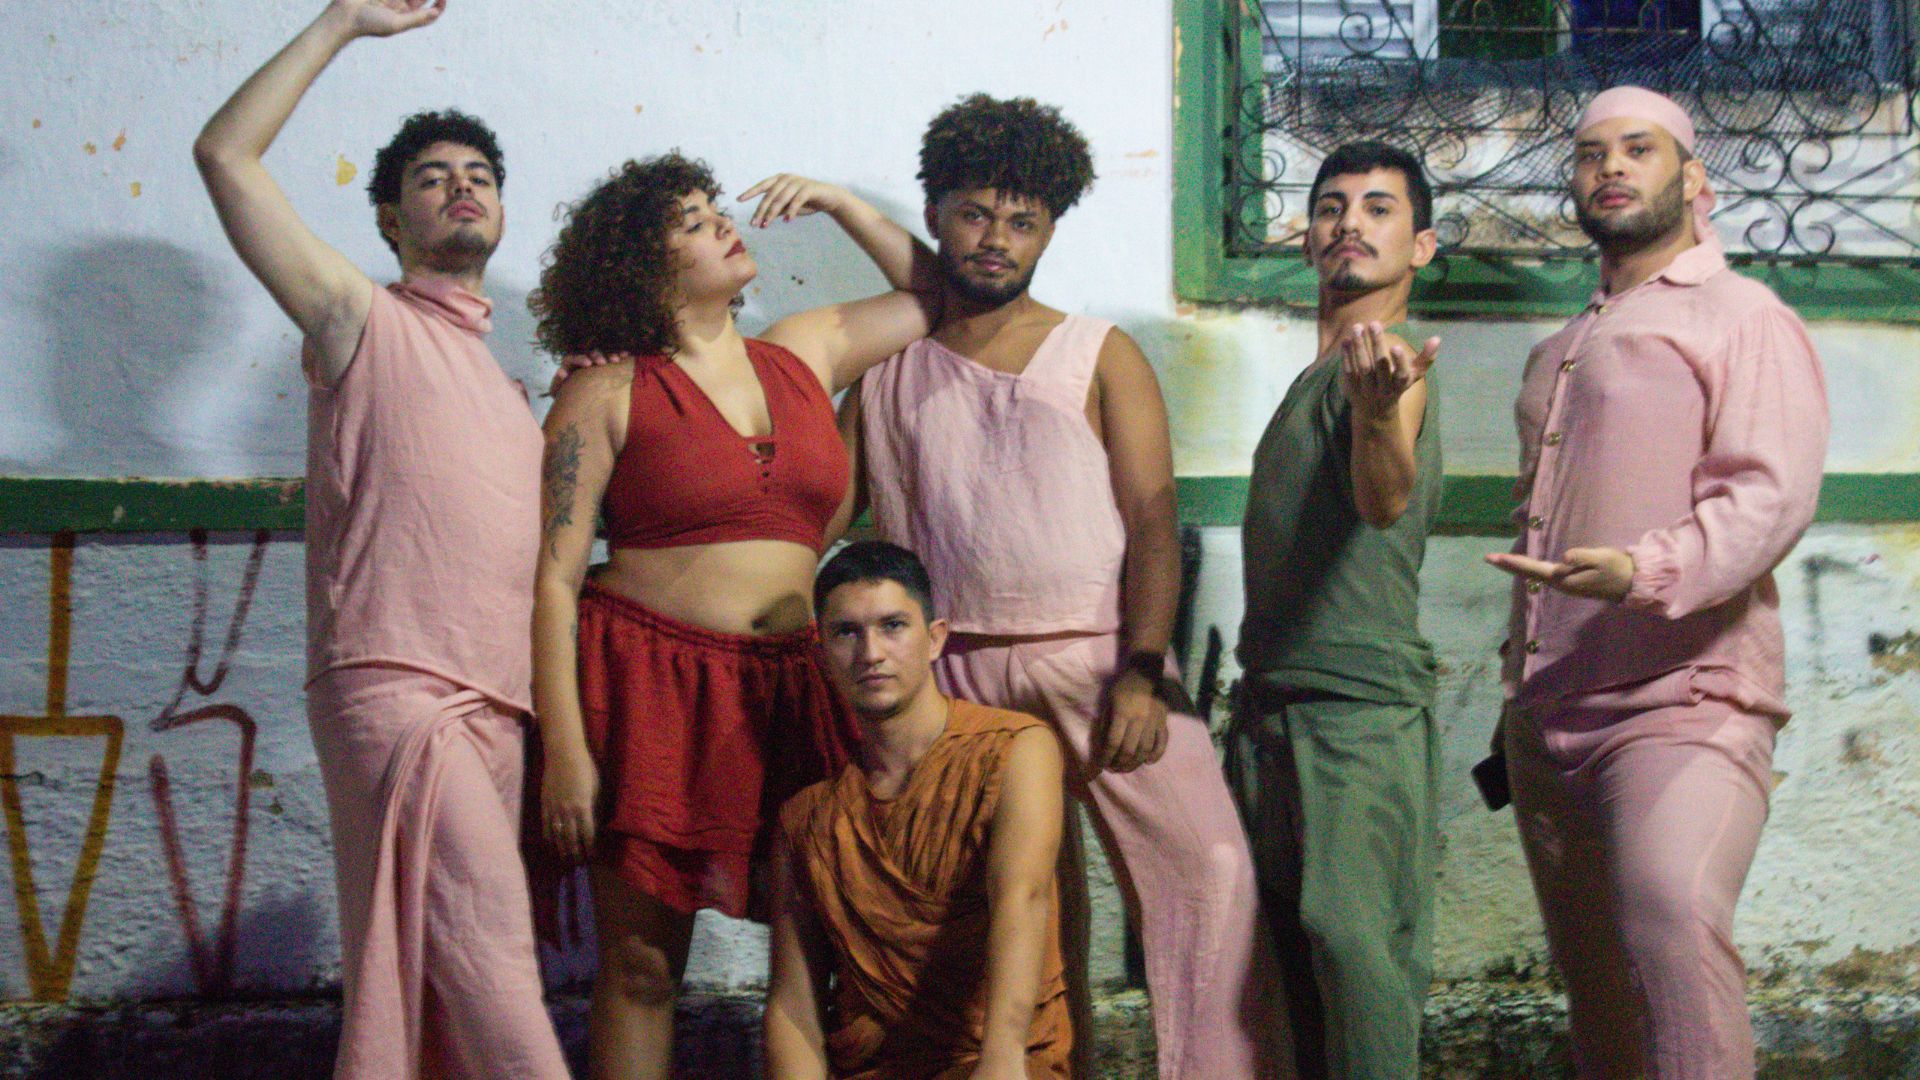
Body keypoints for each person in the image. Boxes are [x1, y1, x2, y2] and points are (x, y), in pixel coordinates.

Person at [839, 93, 1286, 1078]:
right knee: (1013, 918)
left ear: (1049, 229)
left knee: (1211, 874)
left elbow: (1155, 526)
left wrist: (1141, 672)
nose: (995, 239)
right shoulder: (885, 373)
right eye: (974, 213)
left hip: (1100, 658)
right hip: (954, 680)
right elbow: (818, 514)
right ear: (936, 211)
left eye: (1022, 220)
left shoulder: (1098, 351)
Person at [193, 1, 568, 1077]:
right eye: (432, 178)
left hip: (497, 707)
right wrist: (343, 21)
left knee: (433, 992)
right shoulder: (358, 317)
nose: (461, 186)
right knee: (494, 964)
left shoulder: (511, 391)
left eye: (479, 175)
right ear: (393, 222)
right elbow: (225, 156)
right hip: (398, 686)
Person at [530, 156, 937, 1080]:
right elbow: (551, 581)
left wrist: (839, 201)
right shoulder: (604, 390)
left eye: (715, 208)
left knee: (822, 955)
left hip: (795, 686)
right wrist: (566, 750)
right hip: (650, 686)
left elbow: (937, 295)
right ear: (643, 266)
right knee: (641, 967)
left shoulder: (801, 351)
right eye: (690, 220)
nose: (721, 223)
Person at [1484, 86, 1829, 1079]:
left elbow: (1769, 495)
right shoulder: (1559, 351)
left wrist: (1647, 569)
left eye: (1639, 148)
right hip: (1546, 721)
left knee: (1670, 920)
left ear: (1694, 178)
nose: (1611, 167)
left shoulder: (1742, 315)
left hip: (1684, 698)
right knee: (1599, 994)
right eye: (1591, 153)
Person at [1225, 141, 1446, 1079]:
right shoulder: (1320, 374)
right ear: (1308, 236)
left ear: (1421, 246)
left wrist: (1378, 413)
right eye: (1331, 206)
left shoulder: (1389, 367)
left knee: (1358, 964)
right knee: (1292, 983)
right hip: (1276, 709)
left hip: (1356, 718)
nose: (1350, 221)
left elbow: (1384, 498)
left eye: (1379, 208)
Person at [767, 540, 1073, 1080]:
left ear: (935, 639)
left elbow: (1022, 896)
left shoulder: (1014, 749)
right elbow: (794, 1005)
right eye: (847, 633)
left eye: (892, 626)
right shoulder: (809, 819)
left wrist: (1001, 1060)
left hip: (997, 1061)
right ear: (822, 657)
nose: (871, 653)